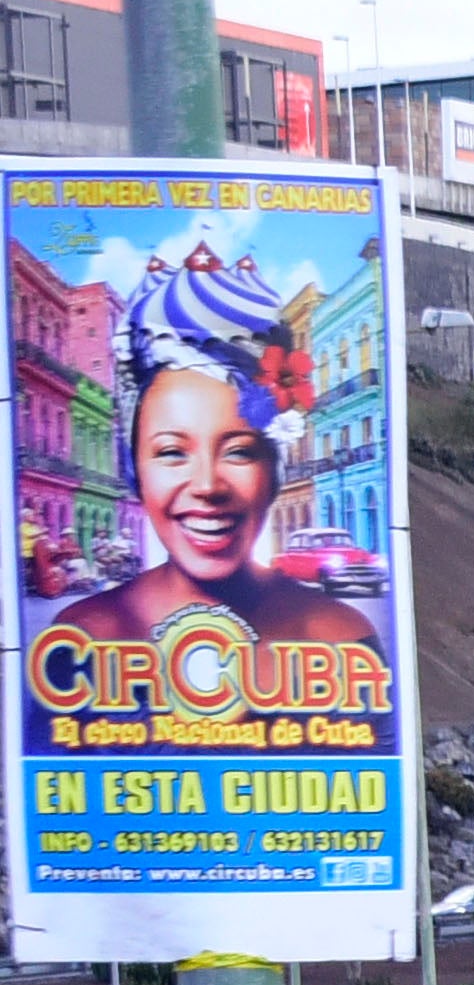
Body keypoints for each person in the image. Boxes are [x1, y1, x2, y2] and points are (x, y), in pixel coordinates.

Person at [32, 251, 387, 677]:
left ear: (274, 471)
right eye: (171, 452)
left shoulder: (340, 638)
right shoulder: (83, 637)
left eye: (238, 451)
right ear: (135, 470)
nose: (206, 485)